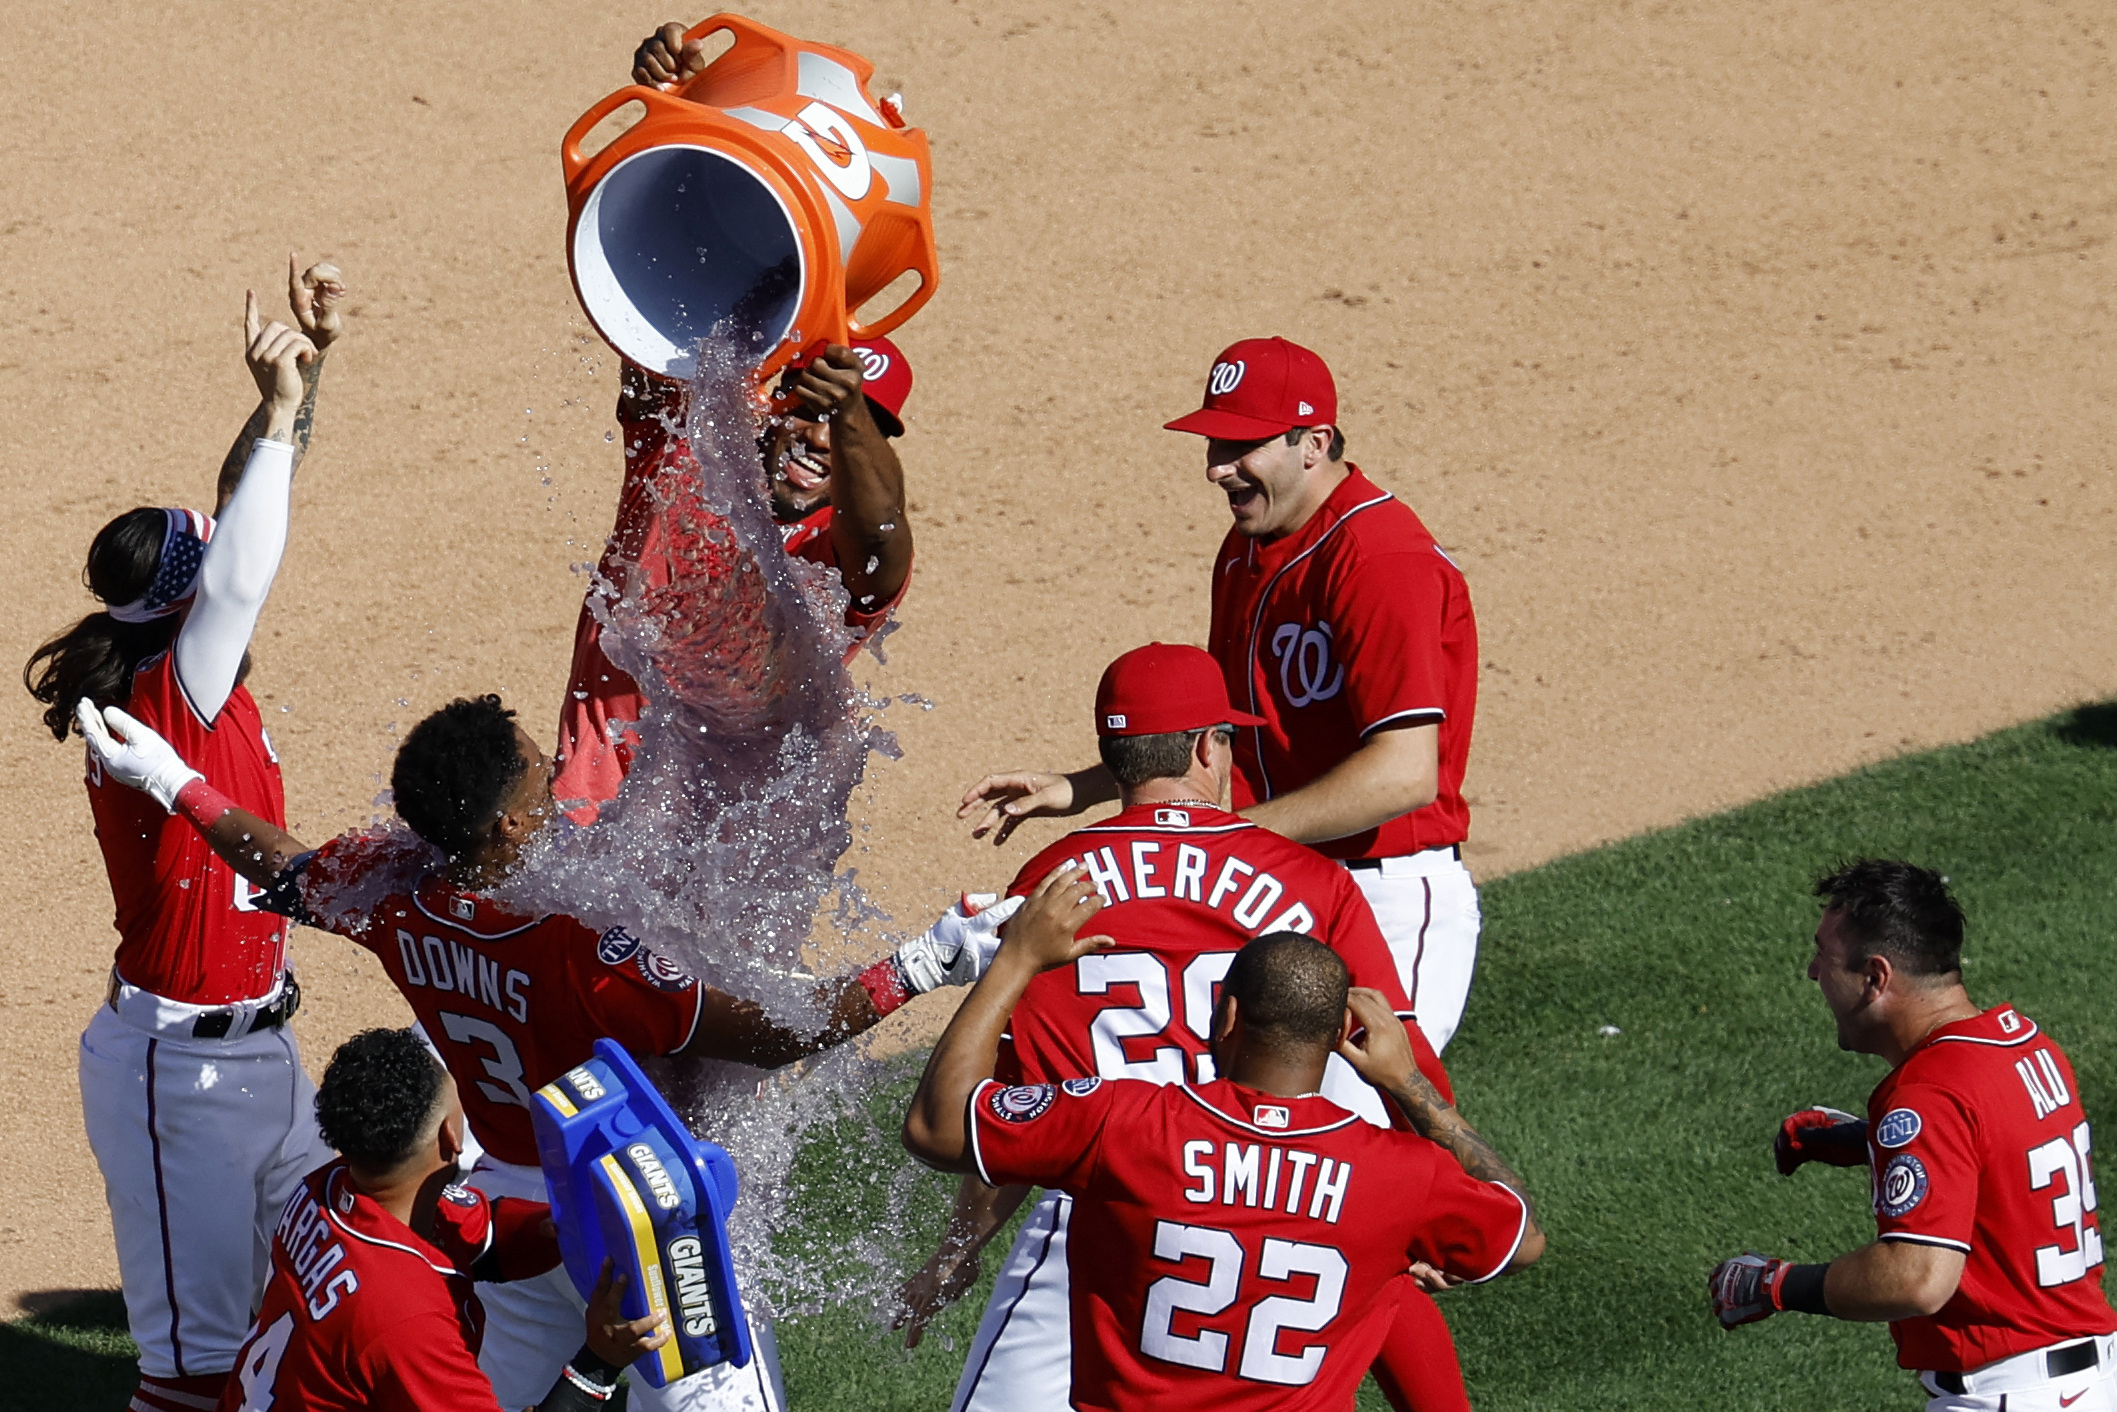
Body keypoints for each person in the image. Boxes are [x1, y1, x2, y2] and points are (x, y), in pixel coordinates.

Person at [78, 691, 1007, 1412]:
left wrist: (173, 784)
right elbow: (773, 1036)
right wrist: (930, 960)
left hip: (496, 1211)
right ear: (508, 828)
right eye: (535, 777)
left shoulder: (398, 899)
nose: (555, 776)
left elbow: (278, 861)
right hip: (625, 1212)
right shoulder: (575, 953)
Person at [898, 642, 1476, 1412]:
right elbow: (1395, 1049)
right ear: (1209, 747)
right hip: (1281, 1206)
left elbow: (1017, 1089)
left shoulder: (1053, 882)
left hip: (1100, 1215)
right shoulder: (1314, 883)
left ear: (1115, 755)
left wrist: (958, 1247)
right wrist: (1442, 1190)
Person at [960, 337, 1482, 1057]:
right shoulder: (1246, 548)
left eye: (1241, 444)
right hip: (1285, 883)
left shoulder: (1380, 560)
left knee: (1341, 1134)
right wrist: (1080, 787)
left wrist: (1237, 844)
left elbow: (1403, 772)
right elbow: (1216, 733)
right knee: (1223, 1131)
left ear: (1313, 443)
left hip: (1383, 895)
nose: (1215, 469)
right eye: (1212, 443)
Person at [24, 261, 345, 1412]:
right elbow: (245, 562)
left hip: (260, 1057)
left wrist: (299, 387)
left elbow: (241, 515)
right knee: (192, 1373)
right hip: (179, 1079)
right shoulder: (175, 697)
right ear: (184, 602)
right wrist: (271, 413)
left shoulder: (181, 670)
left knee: (321, 1307)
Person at [902, 882, 1545, 1411]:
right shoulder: (1400, 1176)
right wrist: (1408, 1083)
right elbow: (1522, 1236)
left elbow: (937, 1127)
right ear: (1338, 1038)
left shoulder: (1123, 1121)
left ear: (1228, 1015)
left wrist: (1014, 962)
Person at [551, 20, 918, 821]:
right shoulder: (683, 455)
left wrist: (846, 405)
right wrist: (677, 107)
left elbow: (884, 530)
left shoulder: (836, 570)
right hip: (587, 835)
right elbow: (666, 308)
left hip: (708, 877)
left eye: (852, 422)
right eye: (806, 407)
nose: (816, 435)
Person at [1709, 861, 2117, 1409]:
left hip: (2013, 1394)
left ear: (1876, 978)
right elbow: (1999, 1150)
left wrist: (1774, 1285)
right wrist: (1872, 1140)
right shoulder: (2022, 1045)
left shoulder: (1930, 1093)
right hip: (2086, 1380)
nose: (1812, 972)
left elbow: (1917, 1278)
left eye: (1823, 956)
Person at [221, 1026, 670, 1411]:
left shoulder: (330, 1186)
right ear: (451, 1136)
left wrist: (573, 1223)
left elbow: (480, 1237)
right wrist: (599, 1361)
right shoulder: (406, 1322)